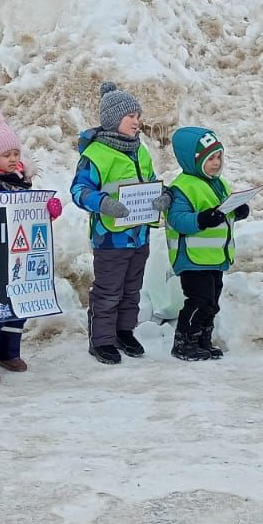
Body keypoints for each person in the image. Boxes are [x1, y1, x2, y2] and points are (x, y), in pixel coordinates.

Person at [0, 106, 63, 384]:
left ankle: (9, 352)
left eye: (16, 153)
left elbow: (31, 218)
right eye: (6, 155)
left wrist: (48, 211)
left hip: (17, 255)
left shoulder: (21, 184)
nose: (13, 159)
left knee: (17, 305)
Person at [71, 81, 170, 364]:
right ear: (114, 120)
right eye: (131, 117)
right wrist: (103, 203)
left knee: (131, 288)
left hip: (139, 235)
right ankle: (101, 340)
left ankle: (124, 331)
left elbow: (150, 182)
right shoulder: (95, 155)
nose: (137, 122)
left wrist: (162, 196)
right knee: (108, 290)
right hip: (111, 237)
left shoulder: (140, 151)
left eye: (138, 116)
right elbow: (79, 191)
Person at [164, 127, 249, 361]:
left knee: (211, 302)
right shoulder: (182, 187)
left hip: (214, 257)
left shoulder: (219, 184)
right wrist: (202, 219)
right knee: (199, 301)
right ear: (193, 161)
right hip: (192, 258)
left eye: (218, 156)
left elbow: (223, 212)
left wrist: (238, 210)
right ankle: (184, 342)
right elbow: (178, 219)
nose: (216, 162)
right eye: (210, 158)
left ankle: (203, 339)